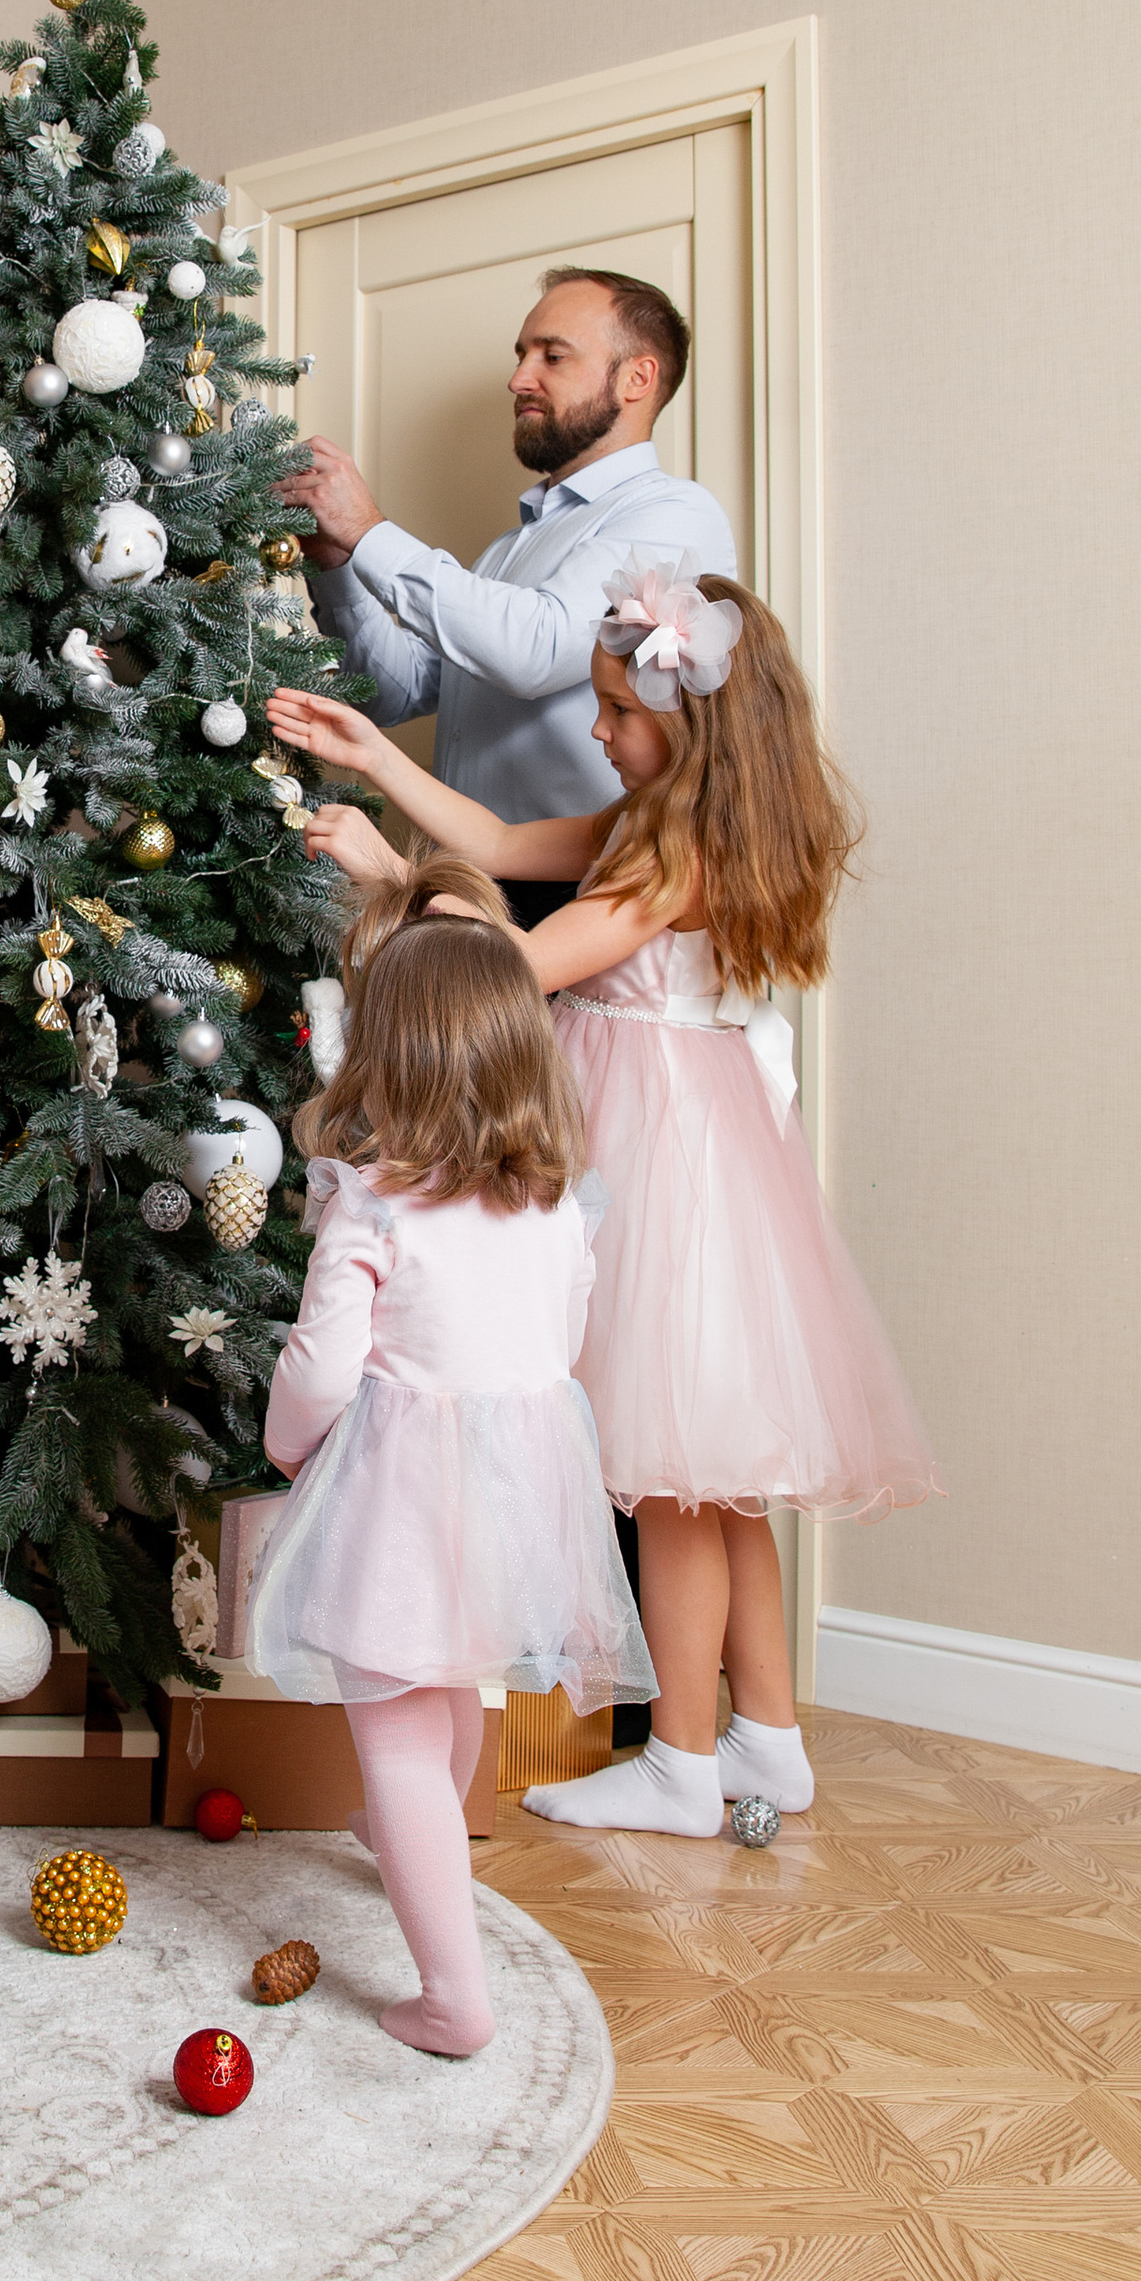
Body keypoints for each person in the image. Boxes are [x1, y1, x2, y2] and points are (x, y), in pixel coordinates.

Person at [269, 561, 940, 1843]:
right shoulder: (672, 818)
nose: (595, 730)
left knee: (675, 1476)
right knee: (723, 1481)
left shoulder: (676, 845)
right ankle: (769, 1743)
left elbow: (511, 964)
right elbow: (511, 849)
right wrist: (379, 768)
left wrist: (373, 876)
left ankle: (683, 1761)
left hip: (666, 1152)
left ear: (684, 723)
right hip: (697, 1132)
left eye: (617, 713)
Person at [246, 863, 654, 2052]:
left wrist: (290, 1449)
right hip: (520, 1492)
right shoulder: (555, 1208)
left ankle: (451, 1999)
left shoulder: (369, 1208)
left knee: (396, 1731)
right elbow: (560, 1346)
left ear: (389, 1058)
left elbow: (320, 1371)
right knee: (457, 1686)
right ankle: (411, 1845)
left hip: (397, 1496)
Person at [280, 269, 737, 914]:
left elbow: (536, 649)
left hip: (588, 891)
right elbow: (391, 692)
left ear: (638, 378)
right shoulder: (506, 550)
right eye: (522, 355)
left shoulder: (676, 515)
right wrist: (337, 562)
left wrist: (369, 533)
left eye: (552, 355)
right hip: (466, 882)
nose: (520, 378)